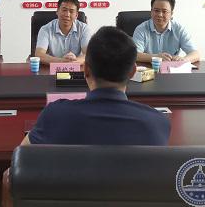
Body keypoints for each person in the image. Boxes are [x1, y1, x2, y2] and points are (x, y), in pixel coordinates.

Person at [23, 26, 170, 145]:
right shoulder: (157, 123)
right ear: (132, 72)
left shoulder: (54, 115)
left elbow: (21, 161)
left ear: (86, 70)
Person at [132, 0, 200, 63]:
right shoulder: (141, 29)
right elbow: (135, 55)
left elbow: (195, 54)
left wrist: (183, 60)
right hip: (148, 68)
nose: (160, 15)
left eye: (164, 11)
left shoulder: (179, 29)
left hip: (171, 68)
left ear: (171, 14)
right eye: (156, 10)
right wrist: (156, 57)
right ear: (151, 12)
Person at [35, 0, 92, 64]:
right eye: (64, 10)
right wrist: (61, 61)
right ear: (57, 11)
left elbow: (88, 55)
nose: (67, 15)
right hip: (53, 67)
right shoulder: (45, 29)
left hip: (76, 67)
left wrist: (73, 61)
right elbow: (39, 54)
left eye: (71, 11)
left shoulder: (84, 29)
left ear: (76, 15)